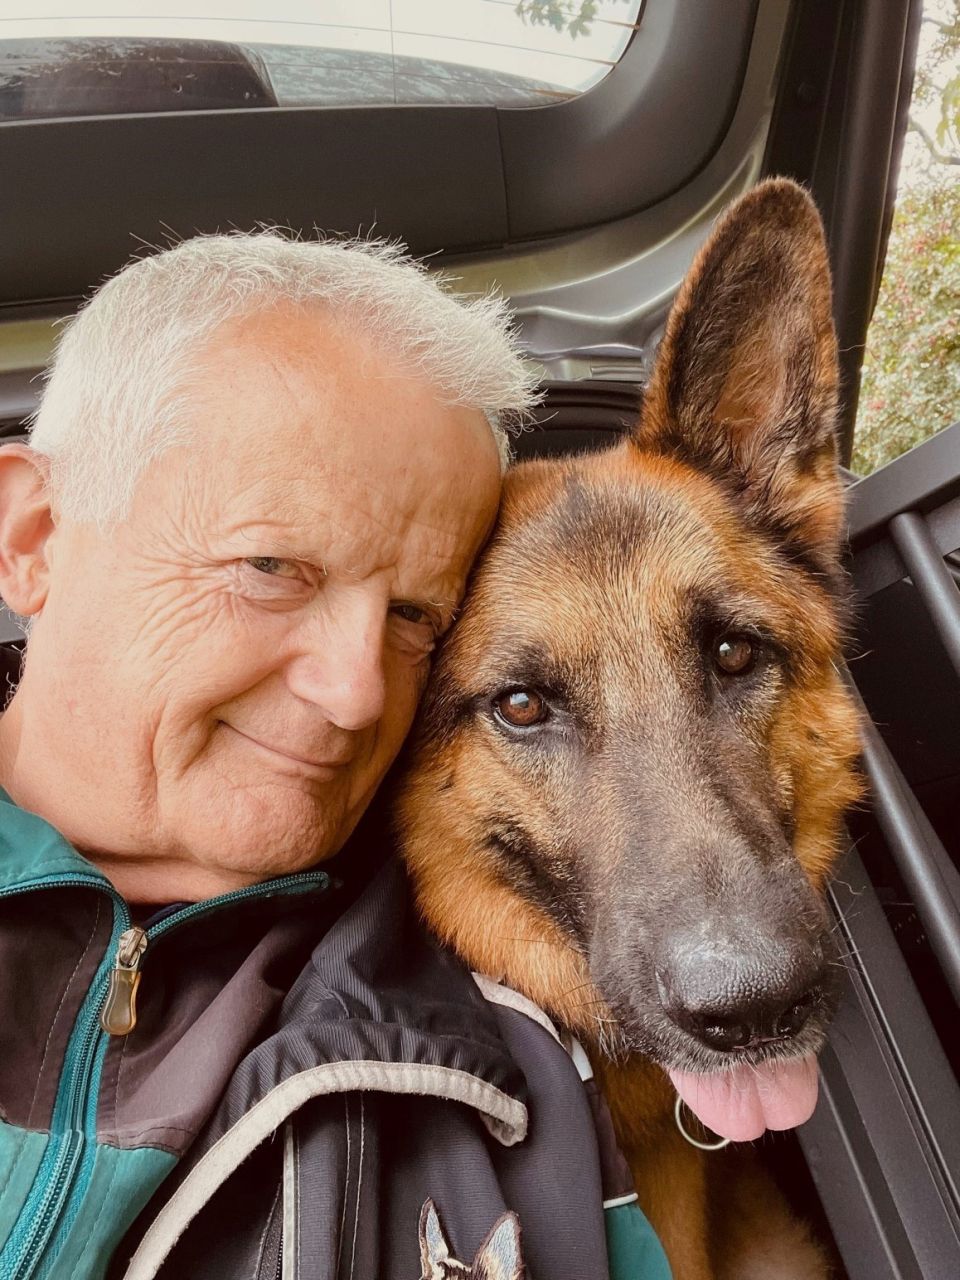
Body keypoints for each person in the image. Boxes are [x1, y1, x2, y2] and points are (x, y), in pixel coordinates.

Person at [0, 233, 664, 1280]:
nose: (359, 691)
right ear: (36, 536)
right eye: (272, 567)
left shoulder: (521, 1058)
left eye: (414, 616)